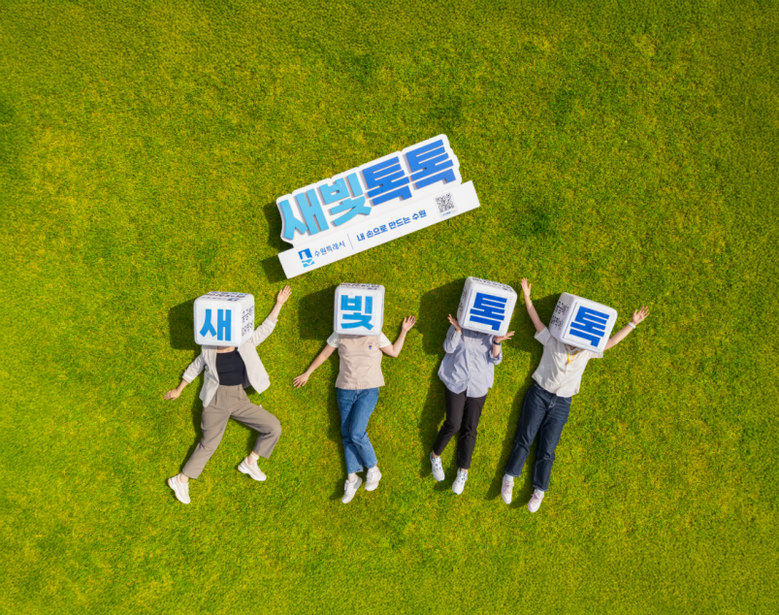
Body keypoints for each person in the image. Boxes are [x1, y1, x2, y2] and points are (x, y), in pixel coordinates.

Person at [501, 278, 649, 513]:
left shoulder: (588, 351)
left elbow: (610, 342)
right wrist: (527, 297)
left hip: (562, 403)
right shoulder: (553, 341)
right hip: (539, 394)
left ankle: (539, 490)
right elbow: (537, 321)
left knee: (548, 449)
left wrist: (632, 324)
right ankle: (510, 477)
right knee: (524, 438)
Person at [164, 286, 292, 505]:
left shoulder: (244, 342)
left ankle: (250, 462)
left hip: (239, 397)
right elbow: (195, 368)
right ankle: (181, 479)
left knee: (274, 427)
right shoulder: (208, 349)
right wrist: (179, 388)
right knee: (209, 443)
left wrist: (278, 304)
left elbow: (265, 329)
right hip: (216, 400)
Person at [293, 314, 416, 504]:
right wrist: (308, 373)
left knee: (356, 433)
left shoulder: (375, 333)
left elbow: (393, 352)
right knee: (346, 434)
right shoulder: (340, 332)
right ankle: (352, 478)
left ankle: (373, 469)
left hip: (368, 389)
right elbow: (325, 353)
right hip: (345, 389)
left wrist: (403, 332)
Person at [430, 314, 514, 495]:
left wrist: (497, 342)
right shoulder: (460, 325)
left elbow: (495, 360)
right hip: (456, 382)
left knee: (470, 428)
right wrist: (458, 331)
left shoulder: (492, 333)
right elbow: (448, 348)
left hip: (478, 387)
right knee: (453, 424)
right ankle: (435, 456)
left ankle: (463, 472)